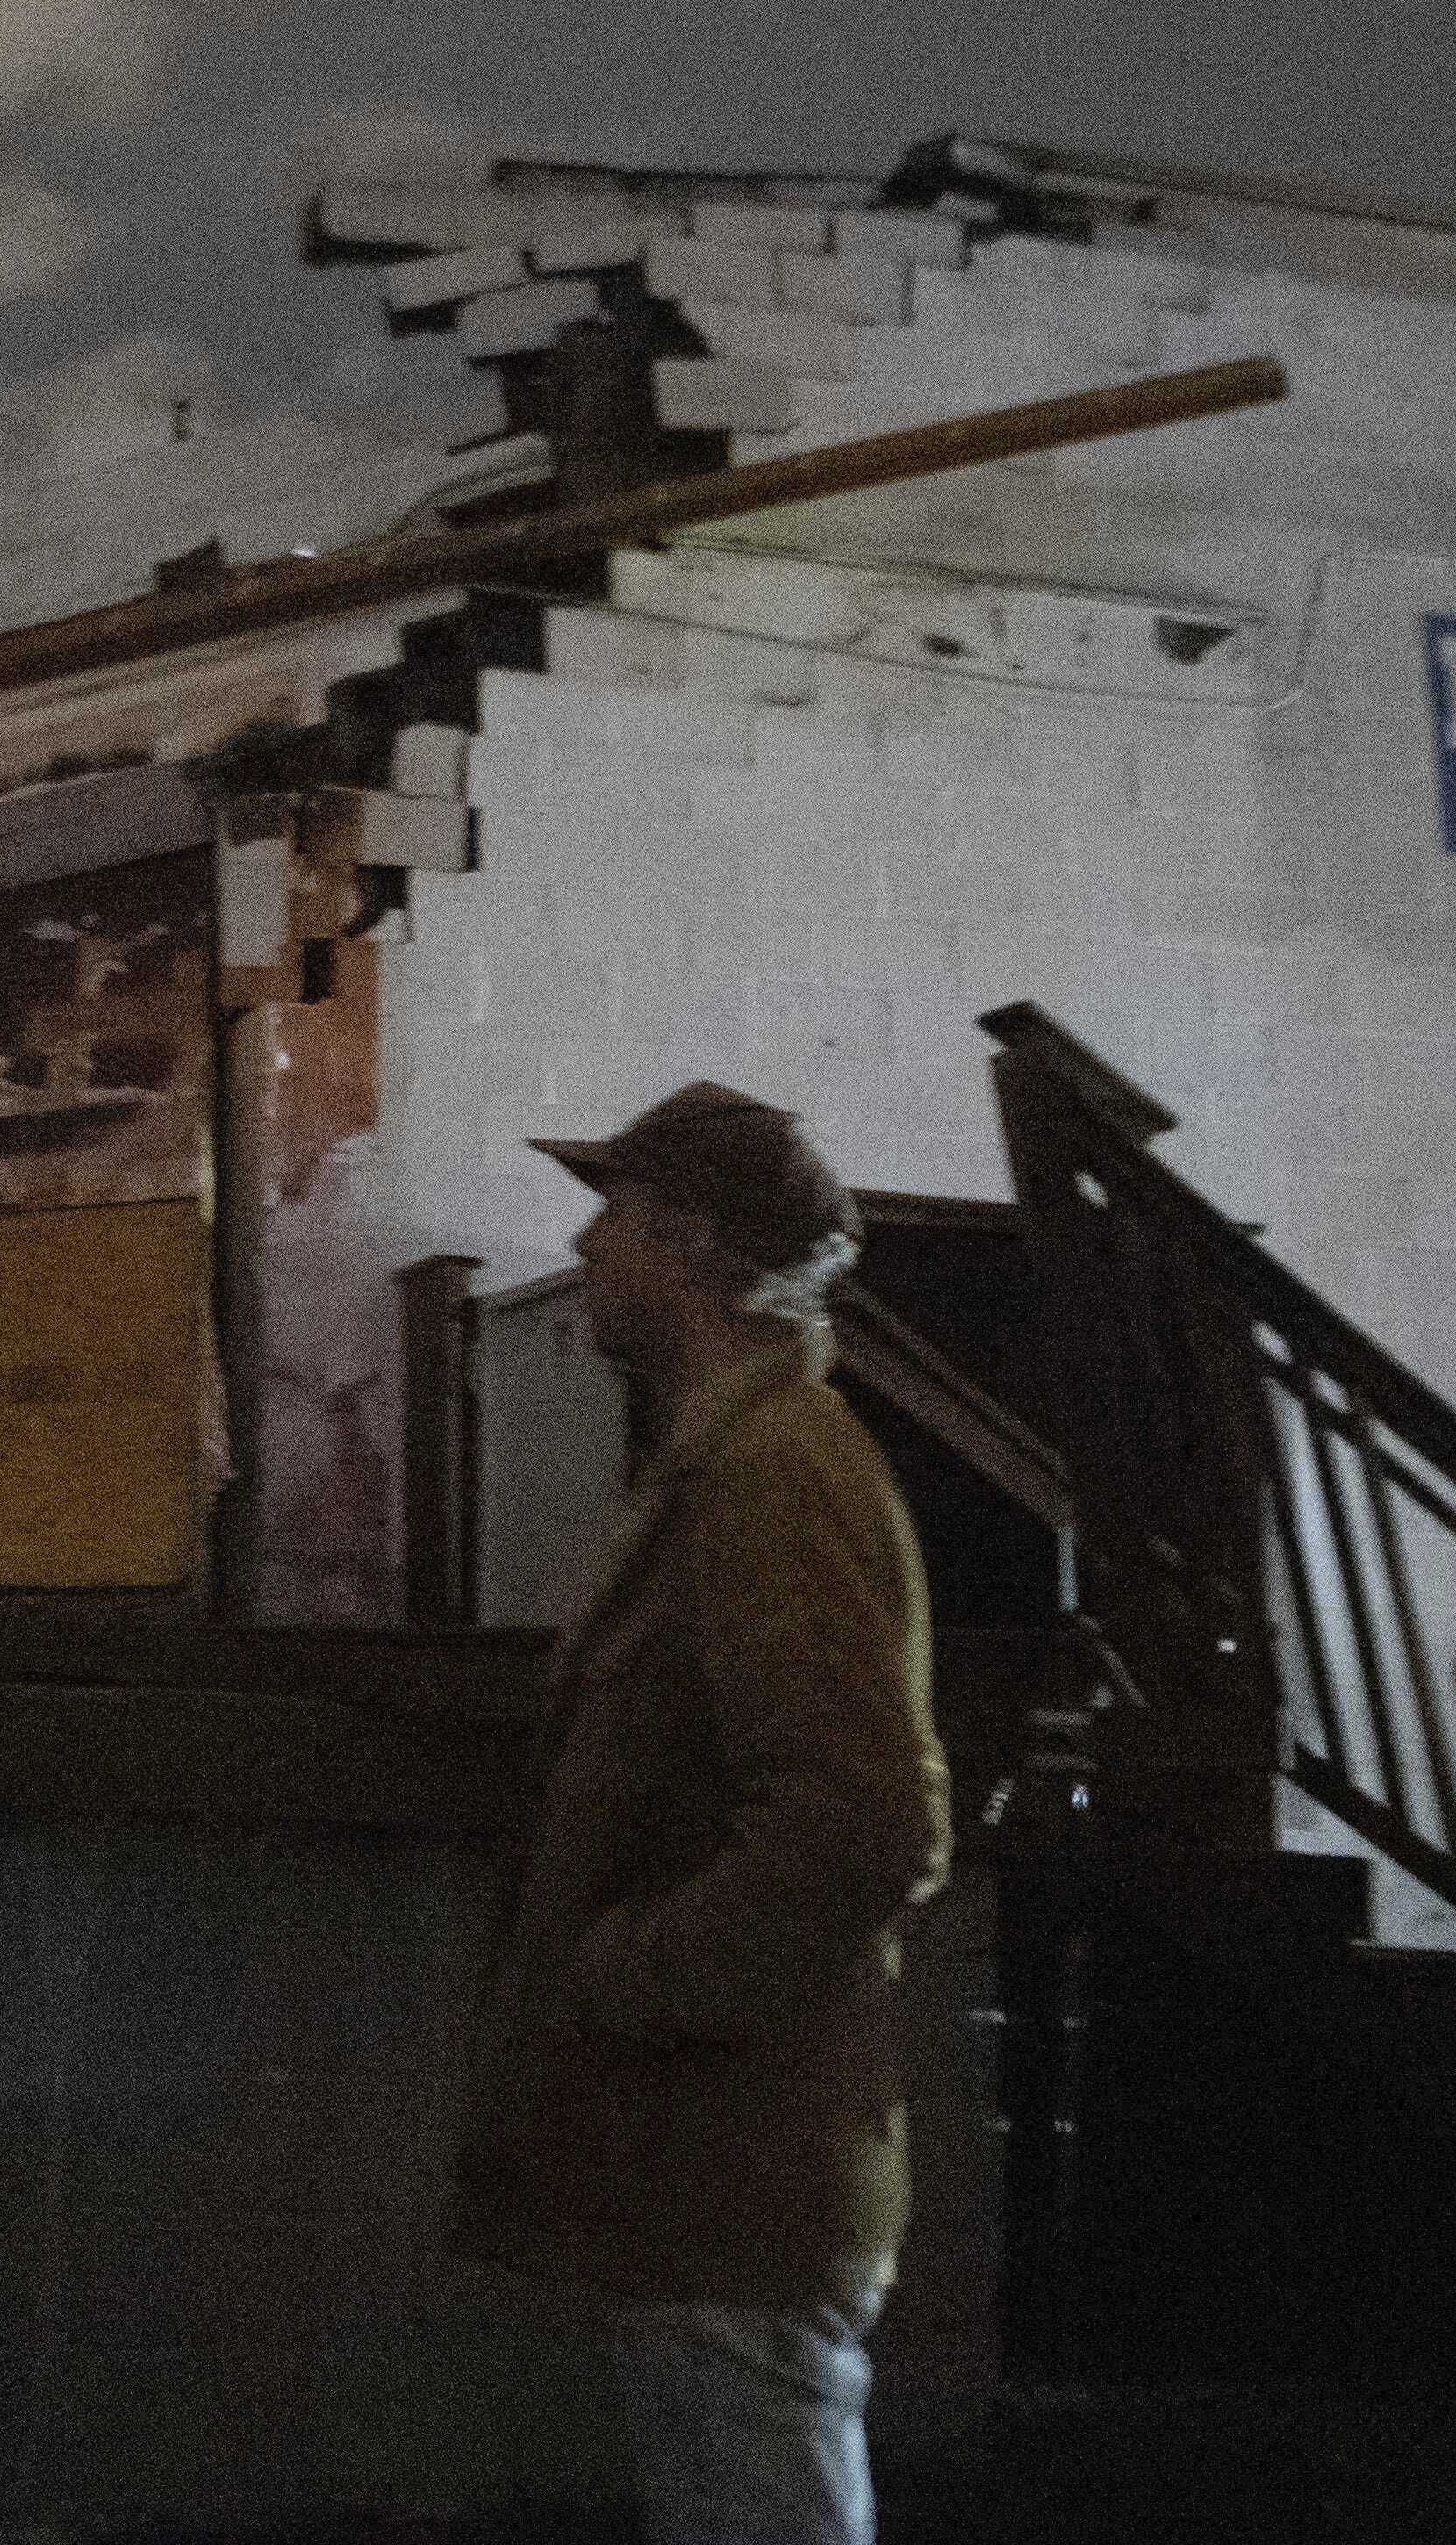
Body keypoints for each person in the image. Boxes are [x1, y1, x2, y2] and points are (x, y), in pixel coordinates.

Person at [450, 1082, 951, 2545]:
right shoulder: (730, 1461)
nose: (584, 1238)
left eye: (610, 1208)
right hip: (708, 2175)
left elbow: (865, 1822)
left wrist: (630, 1975)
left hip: (738, 2175)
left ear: (682, 1239)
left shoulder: (773, 1468)